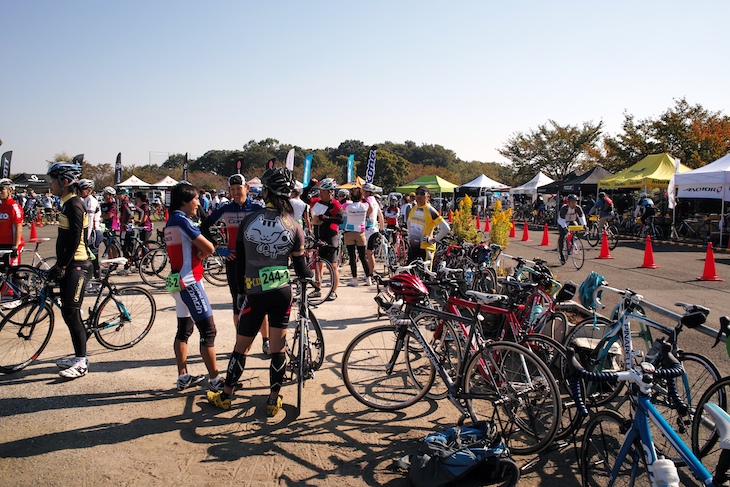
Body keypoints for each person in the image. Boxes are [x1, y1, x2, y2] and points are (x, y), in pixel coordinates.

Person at [207, 167, 312, 416]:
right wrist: (313, 280)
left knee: (241, 346)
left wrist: (242, 291)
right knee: (278, 348)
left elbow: (240, 263)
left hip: (255, 293)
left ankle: (226, 395)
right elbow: (301, 268)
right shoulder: (295, 227)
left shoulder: (248, 221)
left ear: (265, 192)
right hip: (282, 292)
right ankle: (273, 399)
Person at [164, 181, 223, 392]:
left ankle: (183, 376)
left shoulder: (170, 221)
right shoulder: (183, 221)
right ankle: (216, 381)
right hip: (190, 282)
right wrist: (208, 247)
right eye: (196, 199)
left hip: (177, 282)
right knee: (208, 331)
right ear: (185, 201)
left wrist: (199, 253)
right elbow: (208, 247)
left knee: (184, 330)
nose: (198, 203)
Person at [201, 174, 269, 351]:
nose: (236, 193)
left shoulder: (257, 206)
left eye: (239, 189)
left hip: (255, 262)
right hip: (234, 261)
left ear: (247, 188)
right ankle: (241, 340)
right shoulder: (225, 208)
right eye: (232, 190)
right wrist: (218, 249)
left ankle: (266, 340)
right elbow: (204, 226)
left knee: (259, 301)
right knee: (237, 302)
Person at [46, 163, 94, 379]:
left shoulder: (74, 204)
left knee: (72, 312)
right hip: (69, 263)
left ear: (64, 182)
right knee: (67, 312)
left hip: (78, 265)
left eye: (53, 179)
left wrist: (62, 266)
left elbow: (75, 239)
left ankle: (82, 361)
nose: (50, 184)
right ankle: (77, 355)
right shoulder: (66, 203)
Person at [302, 178, 342, 300]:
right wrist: (310, 185)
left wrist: (325, 218)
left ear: (330, 192)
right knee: (318, 264)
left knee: (332, 266)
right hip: (317, 235)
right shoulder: (317, 202)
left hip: (330, 236)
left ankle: (333, 291)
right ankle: (317, 288)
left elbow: (340, 219)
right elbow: (304, 197)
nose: (321, 193)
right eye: (320, 191)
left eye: (323, 191)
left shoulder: (335, 204)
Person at [406, 185, 450, 264]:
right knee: (410, 274)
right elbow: (409, 222)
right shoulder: (414, 208)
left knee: (426, 275)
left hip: (426, 249)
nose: (419, 196)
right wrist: (410, 235)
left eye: (422, 193)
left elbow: (446, 228)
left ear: (428, 196)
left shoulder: (431, 210)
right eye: (417, 193)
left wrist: (434, 240)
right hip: (413, 247)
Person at [342, 187, 371, 287]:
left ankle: (354, 279)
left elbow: (342, 206)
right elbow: (369, 207)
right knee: (363, 256)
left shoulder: (347, 206)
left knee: (352, 257)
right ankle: (368, 278)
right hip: (361, 232)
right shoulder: (365, 206)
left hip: (349, 232)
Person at [78, 179, 103, 279]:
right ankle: (92, 278)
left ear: (89, 190)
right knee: (89, 258)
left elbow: (89, 221)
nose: (79, 191)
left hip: (93, 232)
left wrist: (85, 238)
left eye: (82, 189)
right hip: (91, 231)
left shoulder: (91, 201)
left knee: (93, 259)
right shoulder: (85, 200)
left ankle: (97, 280)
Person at [362, 183, 384, 284]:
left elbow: (368, 212)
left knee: (368, 253)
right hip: (374, 229)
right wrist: (382, 229)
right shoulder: (375, 201)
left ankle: (370, 275)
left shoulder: (367, 200)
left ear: (366, 192)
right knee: (370, 253)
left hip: (369, 229)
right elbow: (380, 216)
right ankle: (370, 272)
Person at [0, 179, 25, 267]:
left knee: (12, 273)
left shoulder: (14, 207)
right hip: (1, 244)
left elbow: (18, 227)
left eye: (1, 189)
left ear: (10, 190)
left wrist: (15, 246)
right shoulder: (1, 206)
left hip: (12, 245)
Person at [557, 194, 587, 265]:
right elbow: (561, 219)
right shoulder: (564, 208)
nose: (574, 204)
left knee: (575, 226)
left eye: (575, 202)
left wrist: (584, 225)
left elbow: (581, 217)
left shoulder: (578, 208)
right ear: (569, 202)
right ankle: (561, 255)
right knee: (562, 237)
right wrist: (565, 228)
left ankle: (573, 241)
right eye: (573, 202)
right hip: (562, 222)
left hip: (571, 221)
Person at [117, 188, 133, 274]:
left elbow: (129, 213)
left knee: (125, 248)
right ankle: (134, 264)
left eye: (119, 195)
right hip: (131, 228)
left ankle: (126, 268)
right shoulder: (130, 202)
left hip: (125, 229)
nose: (118, 197)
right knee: (130, 248)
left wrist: (124, 223)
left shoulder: (124, 203)